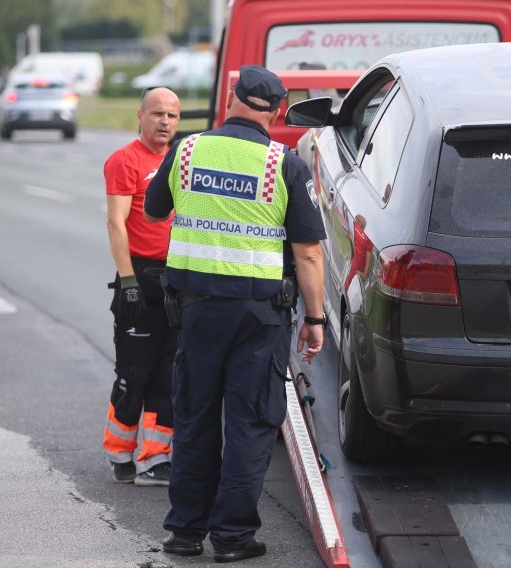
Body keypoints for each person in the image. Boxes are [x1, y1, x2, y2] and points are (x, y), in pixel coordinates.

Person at [143, 65, 326, 563]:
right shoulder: (283, 164)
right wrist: (316, 319)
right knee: (249, 422)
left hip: (195, 313)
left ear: (231, 99)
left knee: (196, 417)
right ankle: (232, 539)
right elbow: (308, 254)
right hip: (258, 317)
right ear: (277, 111)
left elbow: (155, 212)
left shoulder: (186, 149)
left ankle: (184, 533)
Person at [102, 87, 181, 487]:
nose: (165, 121)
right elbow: (116, 223)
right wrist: (128, 279)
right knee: (135, 373)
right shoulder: (124, 161)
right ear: (140, 116)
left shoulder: (182, 160)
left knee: (168, 376)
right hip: (139, 279)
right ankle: (119, 452)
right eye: (157, 114)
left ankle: (155, 458)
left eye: (172, 115)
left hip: (176, 281)